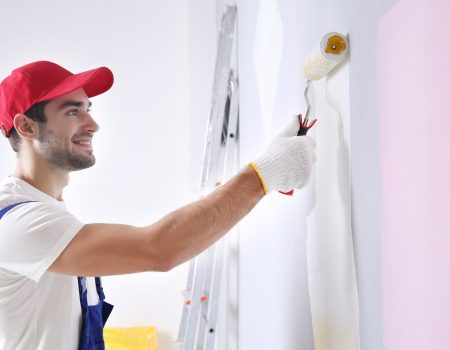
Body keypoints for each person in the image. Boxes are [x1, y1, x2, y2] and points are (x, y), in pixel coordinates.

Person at [0, 61, 316, 350]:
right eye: (72, 112)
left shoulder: (49, 212)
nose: (93, 124)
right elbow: (157, 249)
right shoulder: (18, 222)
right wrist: (263, 175)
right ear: (26, 126)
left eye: (88, 109)